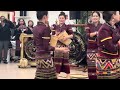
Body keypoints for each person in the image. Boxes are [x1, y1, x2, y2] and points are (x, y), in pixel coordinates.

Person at [33, 11, 65, 79]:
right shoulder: (45, 28)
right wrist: (60, 49)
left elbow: (35, 43)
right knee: (51, 76)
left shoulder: (35, 28)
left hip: (38, 55)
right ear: (45, 17)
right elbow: (46, 47)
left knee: (39, 76)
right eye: (48, 16)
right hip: (45, 57)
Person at [97, 11, 120, 79]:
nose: (119, 15)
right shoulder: (104, 29)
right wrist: (119, 43)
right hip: (106, 61)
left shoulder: (116, 26)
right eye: (118, 14)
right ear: (113, 16)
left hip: (115, 60)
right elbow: (111, 47)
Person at [52, 12, 74, 79]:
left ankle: (68, 75)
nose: (61, 19)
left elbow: (72, 35)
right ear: (58, 18)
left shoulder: (68, 26)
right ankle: (57, 75)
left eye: (63, 18)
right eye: (60, 18)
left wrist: (66, 37)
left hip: (65, 46)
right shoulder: (55, 26)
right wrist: (55, 35)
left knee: (65, 61)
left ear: (65, 19)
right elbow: (52, 36)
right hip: (57, 46)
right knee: (57, 61)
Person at [85, 11, 102, 79]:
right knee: (91, 66)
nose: (95, 17)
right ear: (91, 17)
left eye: (96, 16)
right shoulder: (88, 25)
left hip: (100, 49)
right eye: (93, 16)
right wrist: (96, 33)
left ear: (99, 17)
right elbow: (87, 35)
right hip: (90, 48)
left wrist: (93, 34)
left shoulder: (102, 26)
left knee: (100, 66)